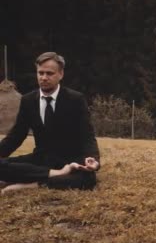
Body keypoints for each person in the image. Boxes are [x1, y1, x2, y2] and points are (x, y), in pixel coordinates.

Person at [0, 52, 100, 194]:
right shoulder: (28, 100)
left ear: (61, 74)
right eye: (40, 73)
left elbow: (87, 135)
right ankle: (56, 174)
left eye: (49, 73)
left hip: (69, 159)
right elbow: (16, 135)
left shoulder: (75, 99)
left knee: (88, 178)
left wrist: (93, 159)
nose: (44, 78)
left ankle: (31, 184)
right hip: (41, 159)